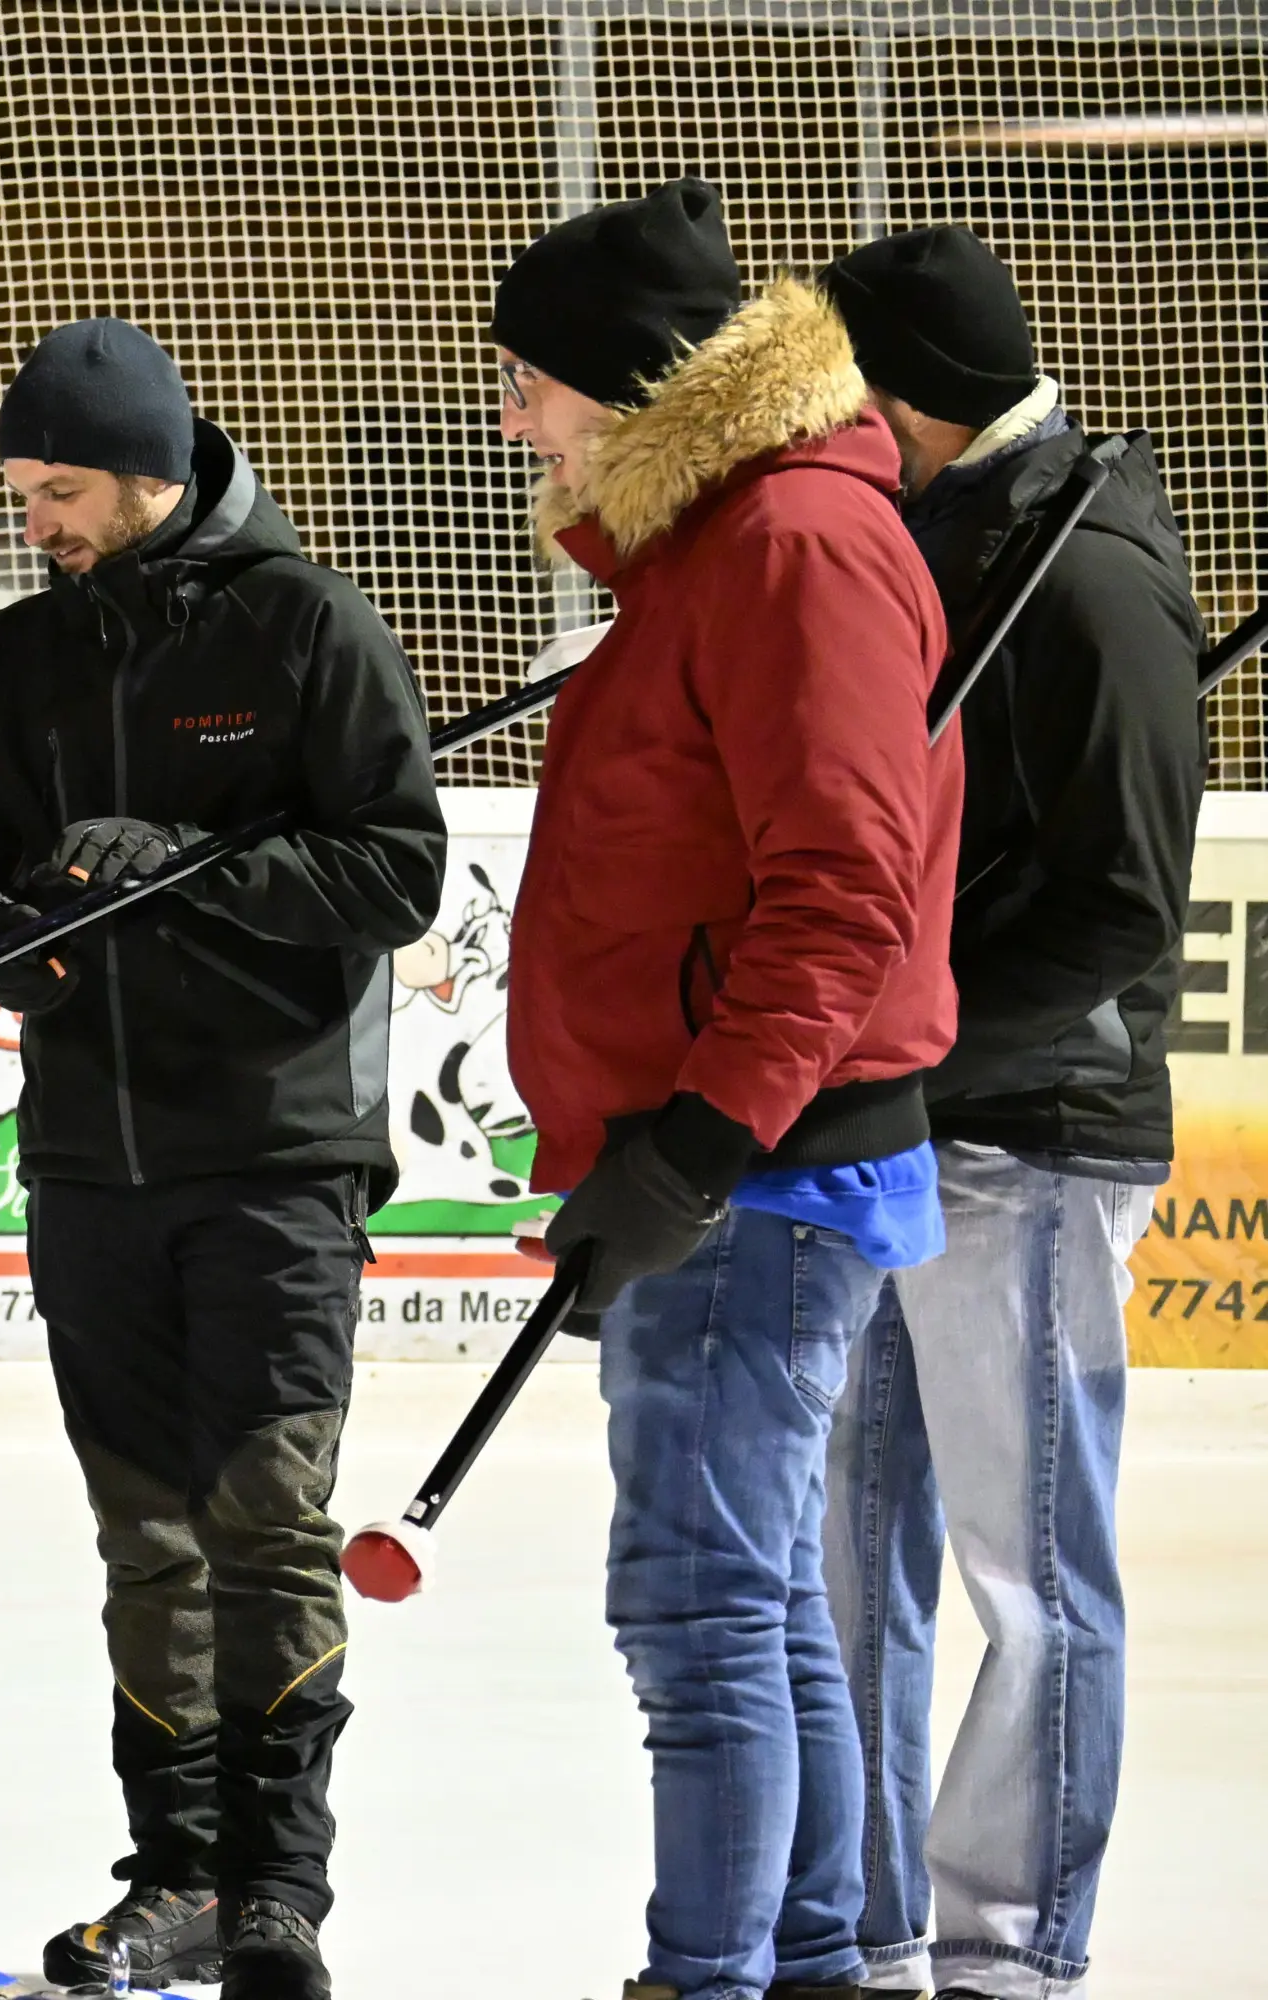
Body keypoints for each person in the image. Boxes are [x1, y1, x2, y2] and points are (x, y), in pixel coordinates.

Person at [0, 318, 445, 2000]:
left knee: (267, 1523)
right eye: (19, 493)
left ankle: (280, 1886)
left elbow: (394, 875)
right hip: (89, 1168)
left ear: (152, 474)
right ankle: (180, 1875)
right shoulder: (24, 656)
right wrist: (21, 939)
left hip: (275, 1164)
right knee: (145, 1537)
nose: (36, 523)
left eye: (59, 492)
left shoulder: (307, 627)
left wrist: (192, 869)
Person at [494, 179, 961, 2000]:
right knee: (758, 1606)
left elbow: (845, 884)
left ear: (632, 384)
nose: (518, 420)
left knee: (696, 1610)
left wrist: (699, 1139)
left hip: (758, 1173)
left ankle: (711, 1976)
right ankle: (820, 1957)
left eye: (533, 383)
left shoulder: (792, 545)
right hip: (732, 1156)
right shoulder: (731, 540)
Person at [816, 227, 1205, 2000]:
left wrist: (916, 1052)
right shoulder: (942, 531)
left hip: (1026, 1138)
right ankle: (867, 1921)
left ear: (903, 404)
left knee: (1029, 1573)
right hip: (896, 1130)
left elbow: (1123, 904)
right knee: (849, 1557)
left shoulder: (1097, 574)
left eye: (839, 395)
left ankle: (1010, 1952)